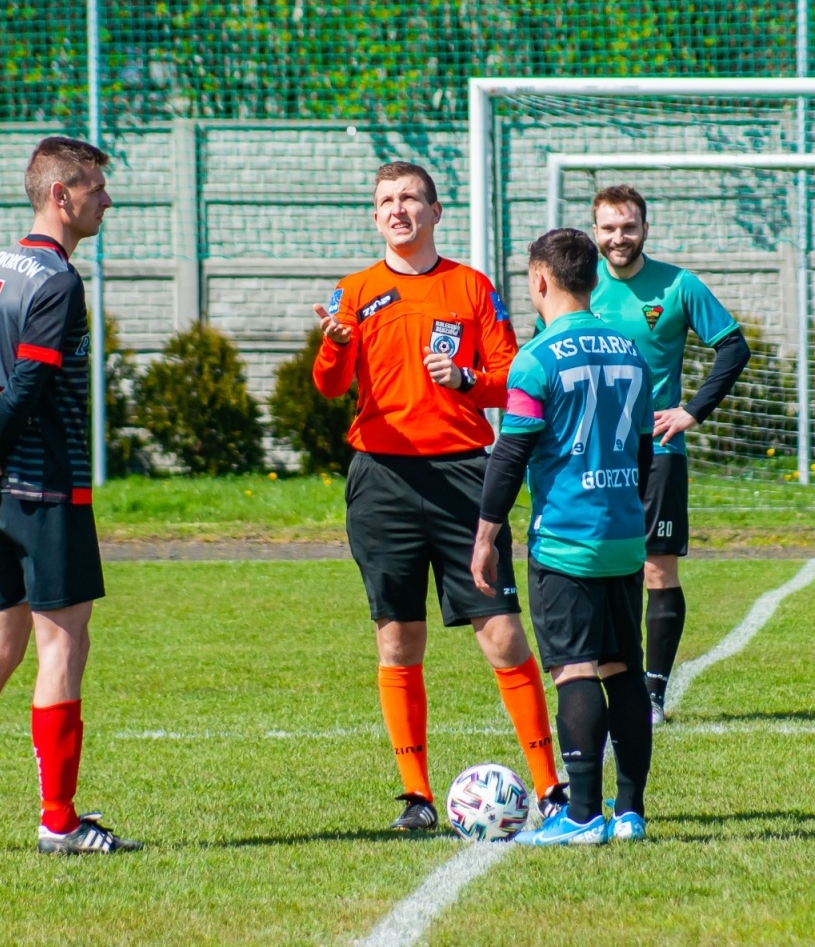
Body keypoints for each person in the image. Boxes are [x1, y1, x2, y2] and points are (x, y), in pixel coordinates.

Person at [312, 161, 565, 831]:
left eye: (410, 199)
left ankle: (549, 786)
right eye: (386, 201)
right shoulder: (354, 292)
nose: (398, 210)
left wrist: (463, 379)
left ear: (435, 210)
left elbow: (510, 375)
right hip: (382, 481)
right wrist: (334, 347)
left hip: (462, 477)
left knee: (504, 634)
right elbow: (331, 386)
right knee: (399, 639)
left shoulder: (471, 287)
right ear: (375, 216)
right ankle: (416, 798)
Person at [0, 136, 139, 855]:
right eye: (97, 190)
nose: (106, 201)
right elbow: (26, 390)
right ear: (62, 195)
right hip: (47, 489)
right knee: (61, 647)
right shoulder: (56, 280)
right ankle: (58, 821)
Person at [471, 227, 655, 845]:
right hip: (626, 532)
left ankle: (579, 816)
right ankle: (628, 813)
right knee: (624, 667)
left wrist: (485, 535)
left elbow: (512, 452)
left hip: (567, 540)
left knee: (575, 671)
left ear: (539, 281)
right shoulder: (631, 347)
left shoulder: (538, 357)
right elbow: (645, 445)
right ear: (595, 279)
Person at [587, 185, 749, 726]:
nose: (618, 238)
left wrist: (692, 411)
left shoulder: (678, 285)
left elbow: (733, 346)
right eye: (609, 228)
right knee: (604, 569)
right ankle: (612, 680)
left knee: (657, 570)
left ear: (645, 230)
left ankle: (652, 695)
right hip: (593, 453)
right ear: (595, 232)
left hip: (657, 448)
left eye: (628, 227)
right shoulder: (579, 287)